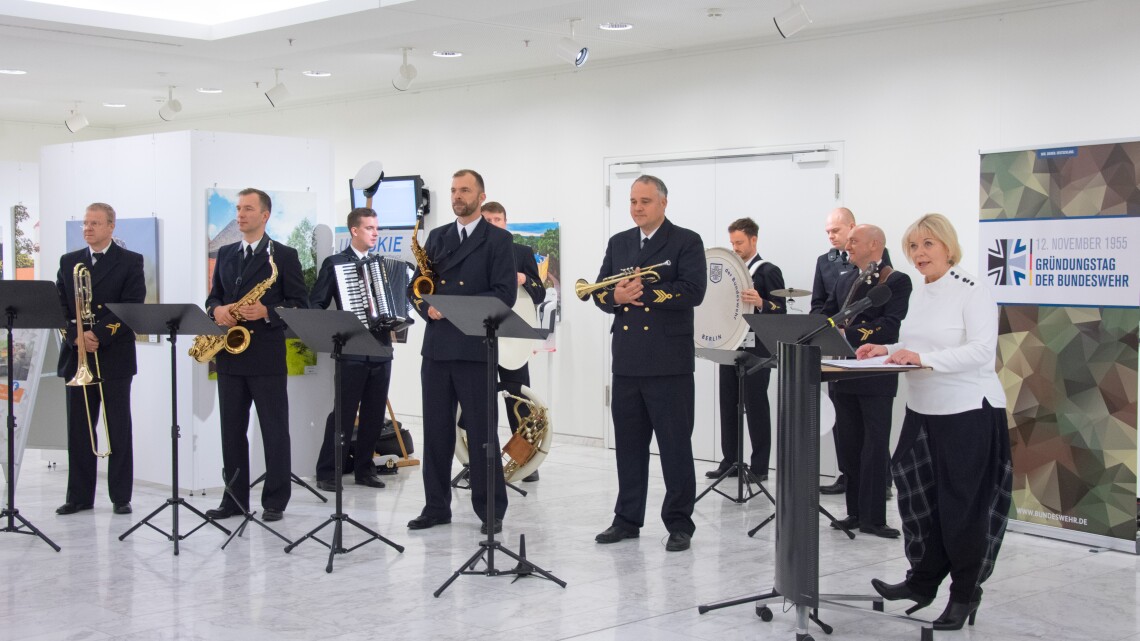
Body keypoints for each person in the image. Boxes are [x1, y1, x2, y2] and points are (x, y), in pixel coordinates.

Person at [861, 213, 1012, 631]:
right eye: (913, 246)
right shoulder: (923, 291)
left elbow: (982, 351)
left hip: (968, 411)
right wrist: (886, 348)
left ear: (948, 246)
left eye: (928, 244)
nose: (919, 253)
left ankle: (965, 593)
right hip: (923, 409)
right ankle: (922, 581)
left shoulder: (973, 289)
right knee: (916, 496)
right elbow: (917, 342)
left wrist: (921, 358)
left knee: (961, 508)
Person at [590, 175, 706, 552]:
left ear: (663, 203)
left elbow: (694, 291)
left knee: (675, 447)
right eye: (632, 201)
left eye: (645, 201)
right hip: (626, 359)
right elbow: (599, 292)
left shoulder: (686, 240)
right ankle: (626, 519)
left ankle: (679, 523)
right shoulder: (619, 242)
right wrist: (615, 295)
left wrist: (644, 294)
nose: (637, 208)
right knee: (629, 446)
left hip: (668, 361)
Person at [407, 169, 517, 535]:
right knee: (436, 434)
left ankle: (490, 510)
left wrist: (451, 305)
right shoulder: (437, 237)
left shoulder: (498, 240)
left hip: (474, 349)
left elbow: (504, 294)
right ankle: (435, 506)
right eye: (454, 190)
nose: (457, 196)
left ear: (481, 196)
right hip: (436, 349)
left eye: (465, 190)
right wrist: (426, 307)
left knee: (483, 435)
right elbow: (416, 288)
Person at [204, 188, 308, 522]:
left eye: (248, 209)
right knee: (231, 431)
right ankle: (233, 499)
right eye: (237, 209)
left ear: (265, 215)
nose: (240, 215)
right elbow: (213, 298)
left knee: (274, 430)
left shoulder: (285, 256)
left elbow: (299, 306)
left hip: (265, 356)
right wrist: (217, 311)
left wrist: (266, 311)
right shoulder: (226, 253)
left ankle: (275, 500)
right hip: (230, 356)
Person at [55, 202, 145, 516]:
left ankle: (121, 497)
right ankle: (79, 496)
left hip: (114, 356)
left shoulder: (130, 262)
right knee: (78, 429)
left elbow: (132, 305)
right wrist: (76, 334)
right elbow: (60, 307)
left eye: (94, 223)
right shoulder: (69, 262)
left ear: (110, 226)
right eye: (85, 223)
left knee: (118, 427)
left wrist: (100, 336)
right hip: (77, 354)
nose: (88, 228)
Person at [821, 224, 911, 538]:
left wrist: (851, 334)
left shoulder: (897, 281)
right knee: (848, 446)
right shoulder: (845, 279)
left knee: (873, 448)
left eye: (854, 241)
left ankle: (874, 517)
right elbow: (828, 313)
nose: (847, 246)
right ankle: (855, 514)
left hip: (875, 374)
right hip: (842, 372)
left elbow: (890, 325)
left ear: (875, 244)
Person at [309, 207, 393, 492]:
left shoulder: (381, 264)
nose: (375, 233)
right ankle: (328, 471)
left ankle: (364, 469)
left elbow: (390, 305)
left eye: (376, 228)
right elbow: (316, 305)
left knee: (373, 414)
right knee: (343, 413)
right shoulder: (335, 264)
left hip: (381, 348)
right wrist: (335, 329)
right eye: (369, 228)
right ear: (354, 231)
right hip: (351, 350)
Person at [811, 207, 892, 495]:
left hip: (871, 357)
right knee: (846, 428)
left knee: (874, 432)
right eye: (829, 232)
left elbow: (885, 309)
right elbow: (822, 304)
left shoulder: (883, 266)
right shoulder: (828, 265)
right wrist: (821, 329)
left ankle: (880, 483)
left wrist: (851, 332)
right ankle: (849, 479)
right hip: (839, 356)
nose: (836, 239)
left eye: (838, 231)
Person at [706, 217, 785, 483]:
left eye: (739, 242)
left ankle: (760, 467)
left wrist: (762, 302)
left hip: (758, 350)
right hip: (729, 345)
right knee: (727, 404)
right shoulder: (729, 269)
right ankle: (730, 461)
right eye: (732, 243)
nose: (735, 248)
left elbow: (781, 310)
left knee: (756, 406)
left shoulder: (768, 270)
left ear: (753, 240)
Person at [480, 201, 546, 482]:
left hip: (514, 339)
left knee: (519, 403)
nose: (494, 224)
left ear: (506, 222)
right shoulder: (472, 255)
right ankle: (480, 464)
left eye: (498, 219)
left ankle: (525, 462)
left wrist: (523, 279)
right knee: (480, 404)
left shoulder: (521, 253)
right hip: (480, 337)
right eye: (489, 220)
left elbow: (540, 293)